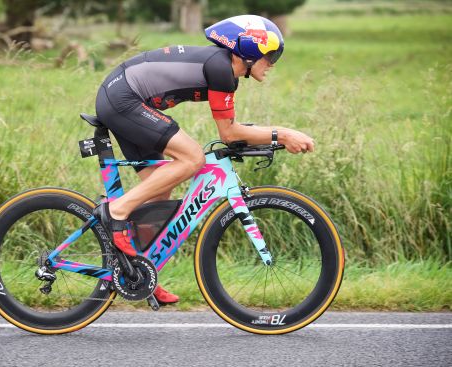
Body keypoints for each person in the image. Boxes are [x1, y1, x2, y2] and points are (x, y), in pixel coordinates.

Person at [93, 15, 315, 304]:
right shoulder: (221, 68)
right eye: (270, 56)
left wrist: (264, 136)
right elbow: (230, 133)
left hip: (126, 99)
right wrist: (282, 134)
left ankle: (138, 271)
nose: (273, 63)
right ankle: (116, 211)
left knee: (158, 196)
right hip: (124, 99)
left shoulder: (223, 68)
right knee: (192, 157)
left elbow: (233, 132)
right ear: (248, 52)